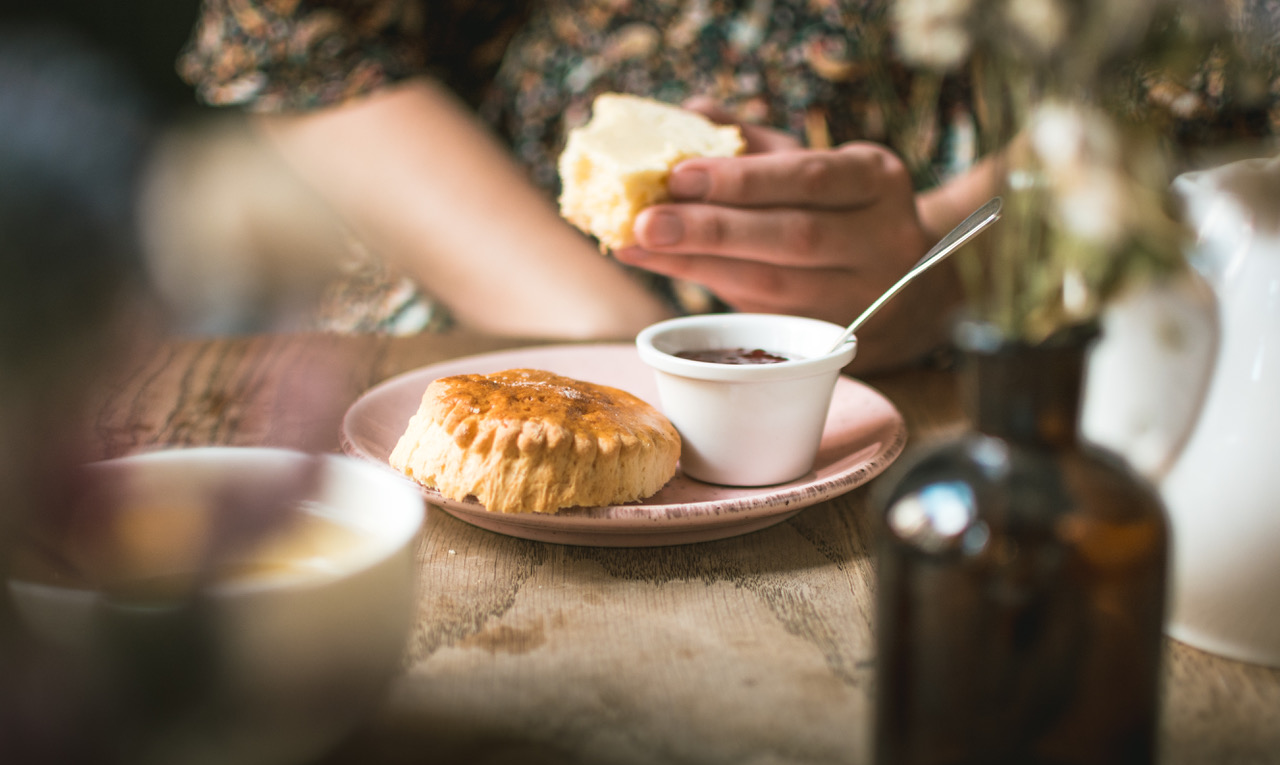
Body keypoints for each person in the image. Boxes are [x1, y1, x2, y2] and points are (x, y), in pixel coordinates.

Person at [174, 1, 1278, 374]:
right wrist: (611, 334)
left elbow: (1193, 66)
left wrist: (944, 255)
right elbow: (302, 42)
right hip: (503, 309)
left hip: (1024, 330)